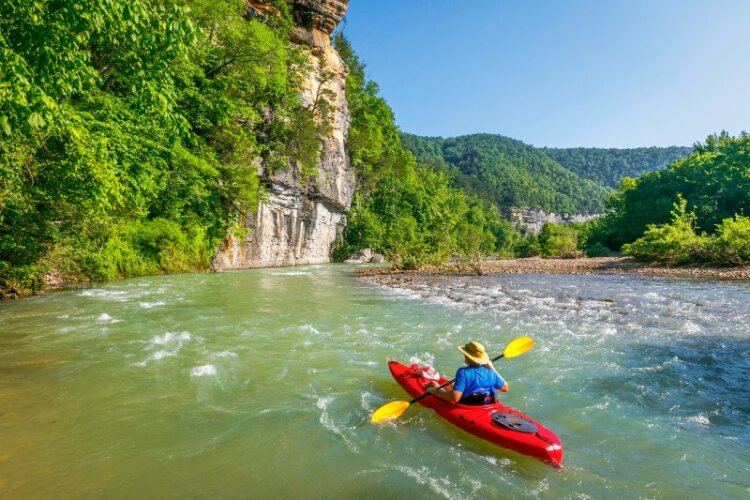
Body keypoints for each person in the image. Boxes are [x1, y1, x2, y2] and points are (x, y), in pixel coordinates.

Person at [427, 341, 508, 405]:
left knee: (433, 384)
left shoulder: (463, 372)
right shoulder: (491, 372)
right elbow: (505, 388)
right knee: (449, 385)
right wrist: (491, 366)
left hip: (468, 404)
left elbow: (455, 398)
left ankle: (426, 387)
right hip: (487, 404)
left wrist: (435, 391)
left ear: (467, 356)